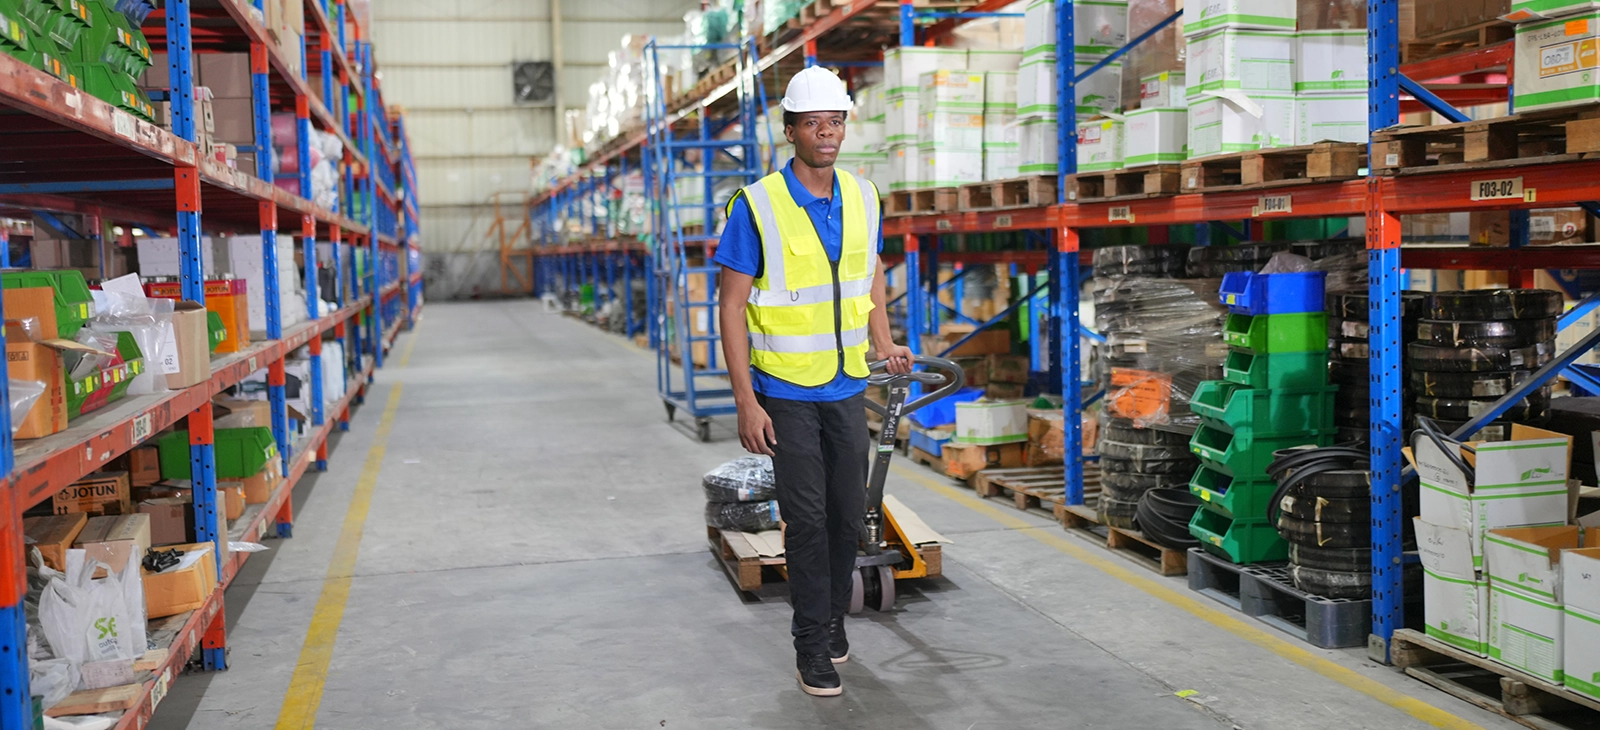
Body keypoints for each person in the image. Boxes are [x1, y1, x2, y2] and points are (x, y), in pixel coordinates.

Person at [715, 66, 914, 697]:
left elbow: (871, 272)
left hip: (847, 384)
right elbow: (730, 306)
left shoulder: (862, 194)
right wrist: (746, 401)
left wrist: (883, 342)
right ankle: (810, 647)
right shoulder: (757, 206)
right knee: (803, 518)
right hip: (786, 389)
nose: (826, 133)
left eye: (835, 121)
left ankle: (831, 623)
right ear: (790, 130)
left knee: (844, 512)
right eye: (812, 123)